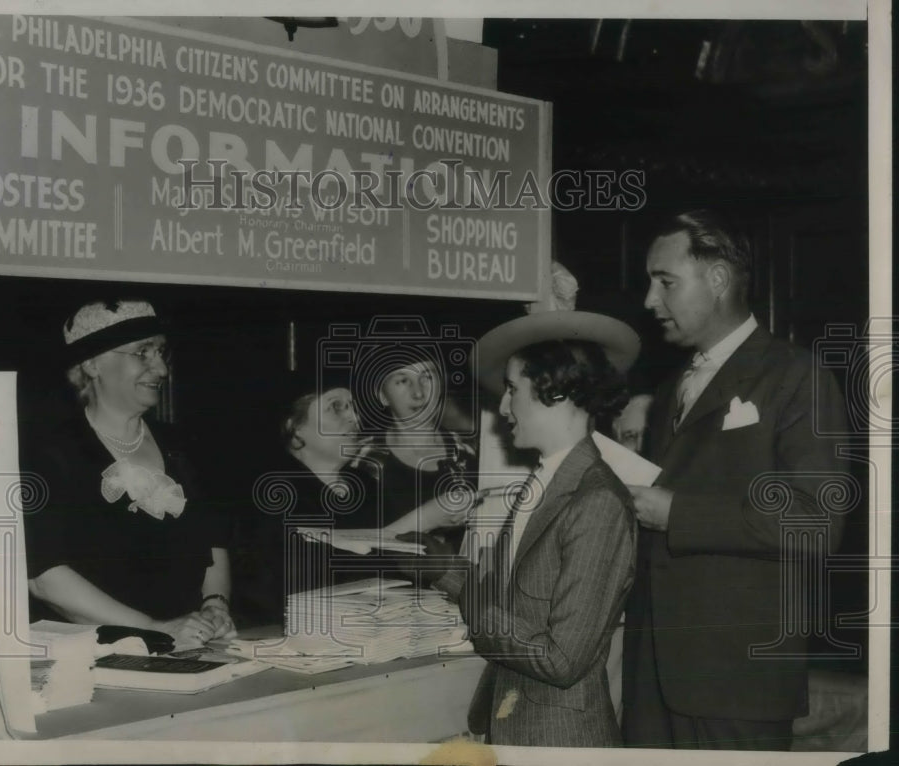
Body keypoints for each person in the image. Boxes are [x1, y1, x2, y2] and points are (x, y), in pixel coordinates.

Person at [622, 210, 850, 750]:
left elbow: (815, 522)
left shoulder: (797, 376)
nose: (649, 301)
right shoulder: (674, 385)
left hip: (736, 684)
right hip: (652, 678)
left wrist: (676, 513)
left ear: (719, 279)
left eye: (665, 282)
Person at [409, 310, 641, 747]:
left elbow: (561, 659)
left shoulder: (597, 502)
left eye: (512, 390)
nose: (502, 407)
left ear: (554, 390)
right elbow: (512, 600)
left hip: (560, 742)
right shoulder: (544, 483)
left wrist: (474, 605)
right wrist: (437, 568)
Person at [24, 299, 235, 648]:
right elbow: (44, 577)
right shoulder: (48, 453)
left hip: (190, 645)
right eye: (143, 353)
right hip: (92, 659)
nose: (161, 369)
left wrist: (215, 606)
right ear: (92, 364)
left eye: (161, 353)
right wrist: (155, 629)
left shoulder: (182, 445)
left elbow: (213, 541)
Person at [358, 352, 477, 539]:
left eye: (427, 377)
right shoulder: (363, 461)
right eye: (403, 381)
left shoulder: (469, 454)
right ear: (382, 396)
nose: (419, 393)